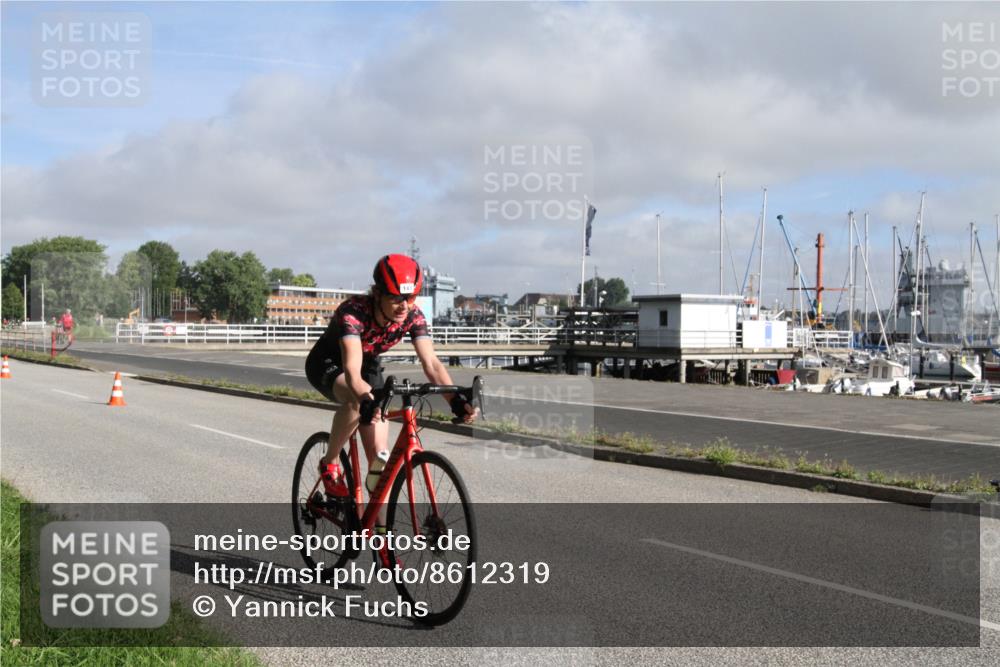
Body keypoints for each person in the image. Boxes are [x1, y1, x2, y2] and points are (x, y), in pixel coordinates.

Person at [305, 254, 477, 514]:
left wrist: (455, 400)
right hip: (330, 362)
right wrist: (364, 397)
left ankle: (379, 534)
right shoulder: (353, 313)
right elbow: (352, 371)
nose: (404, 306)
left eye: (411, 297)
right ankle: (329, 463)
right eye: (396, 298)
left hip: (369, 365)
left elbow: (431, 363)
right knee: (355, 401)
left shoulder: (413, 315)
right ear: (377, 294)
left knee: (379, 462)